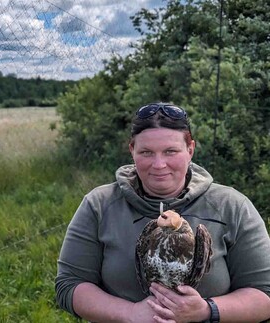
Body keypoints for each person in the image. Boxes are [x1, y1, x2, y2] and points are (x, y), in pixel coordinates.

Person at [55, 102, 270, 322]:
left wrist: (206, 310)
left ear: (190, 150)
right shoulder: (99, 205)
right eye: (146, 152)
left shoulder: (232, 206)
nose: (159, 164)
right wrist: (130, 314)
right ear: (132, 150)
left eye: (171, 151)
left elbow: (265, 294)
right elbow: (69, 285)